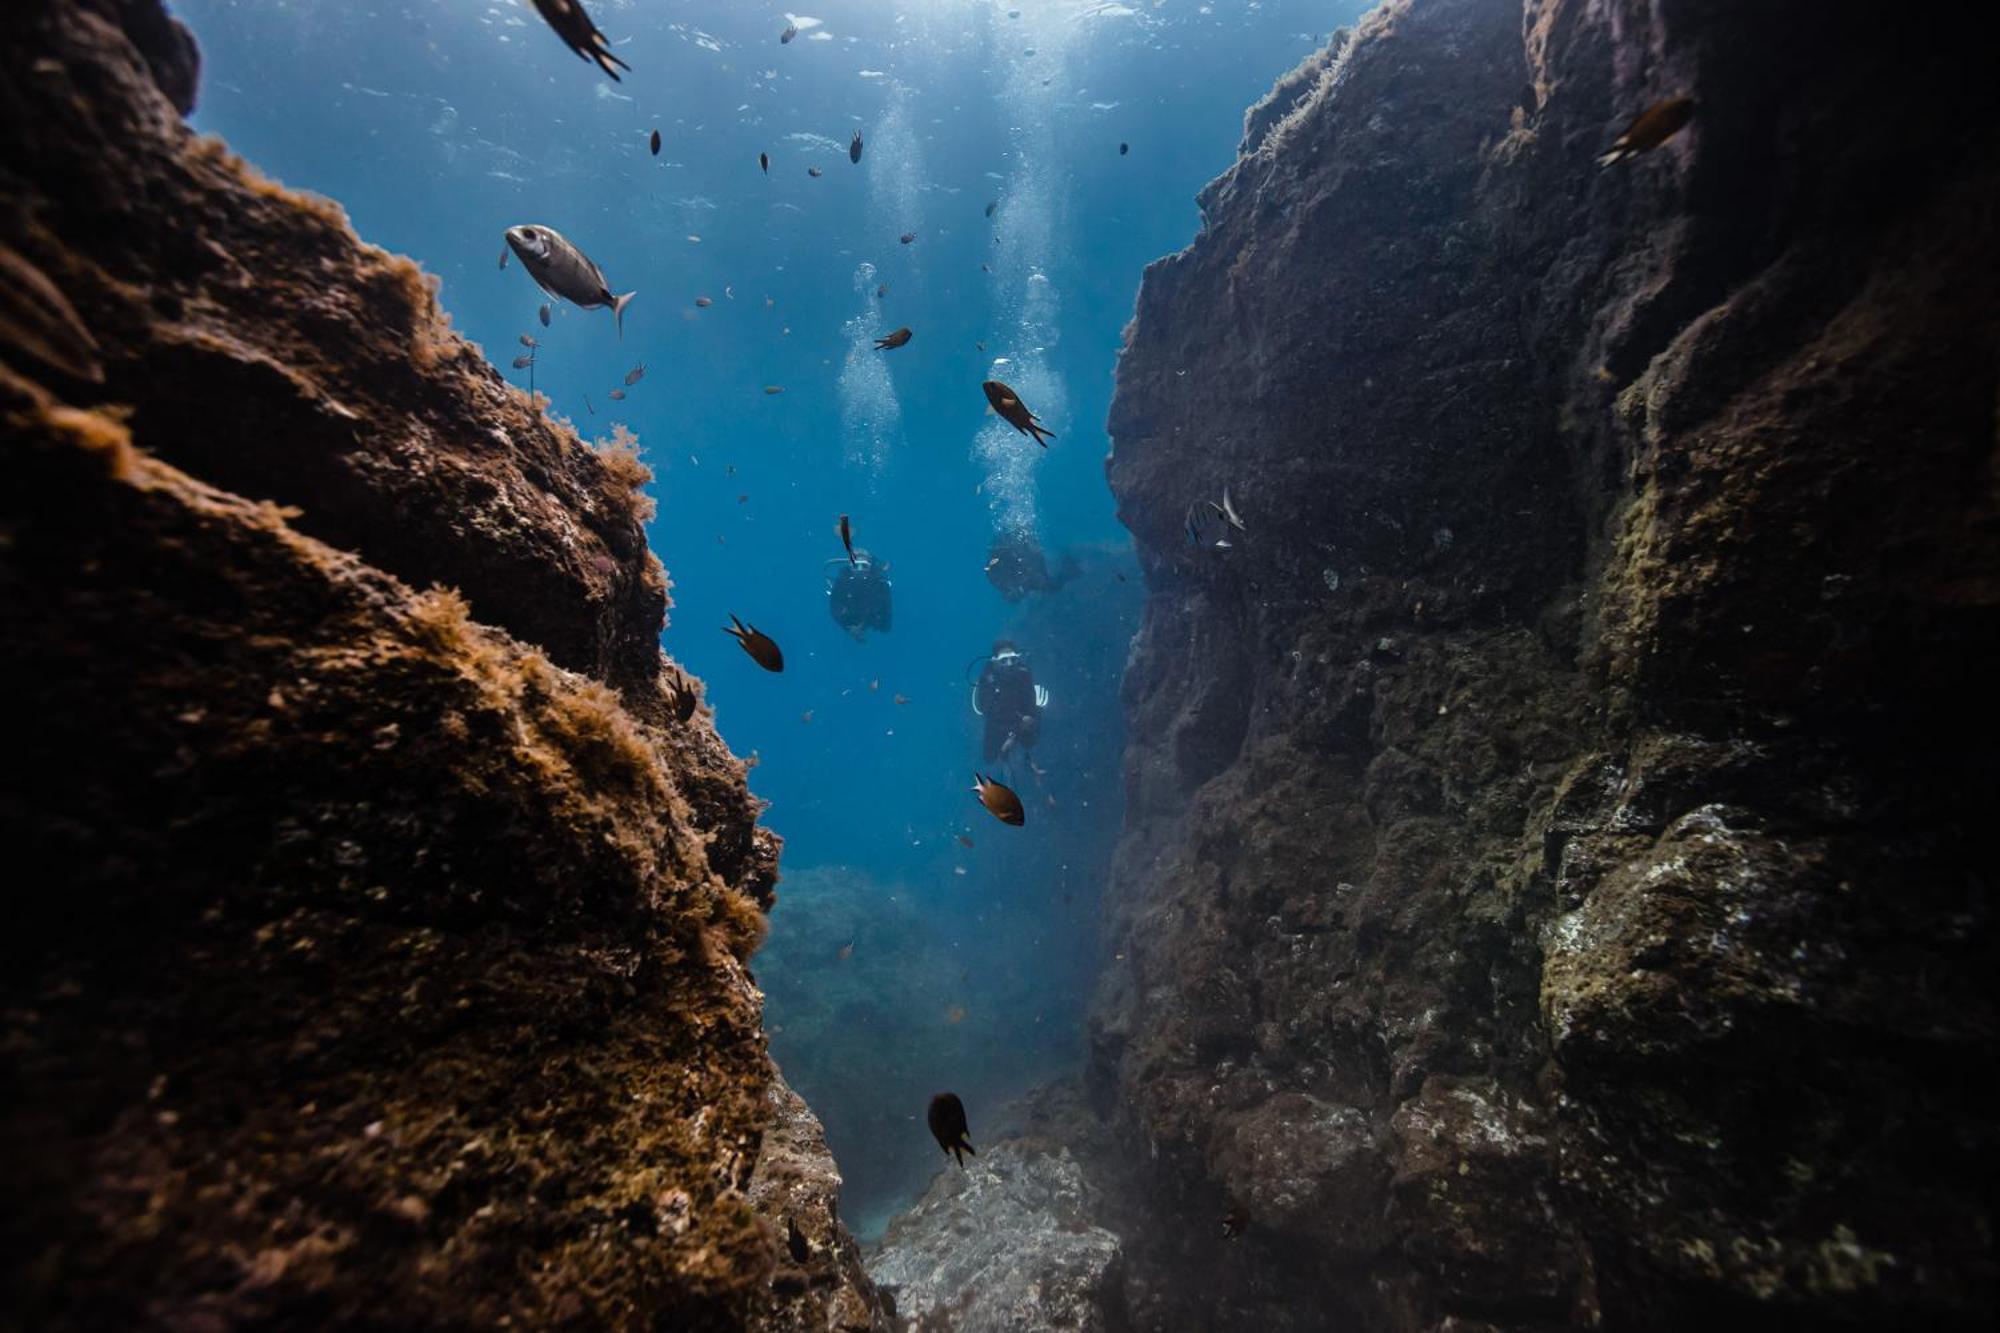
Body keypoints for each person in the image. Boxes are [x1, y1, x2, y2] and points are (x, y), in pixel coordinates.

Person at [972, 639, 1047, 762]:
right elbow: (989, 710)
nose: (1009, 664)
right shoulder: (987, 679)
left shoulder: (1024, 673)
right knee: (990, 759)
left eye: (1013, 659)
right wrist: (1014, 729)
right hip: (999, 724)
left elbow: (1030, 701)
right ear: (995, 661)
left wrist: (1016, 732)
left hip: (1021, 721)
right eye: (1004, 660)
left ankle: (1029, 761)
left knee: (1032, 741)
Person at [827, 551, 892, 640]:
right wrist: (848, 627)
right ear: (850, 567)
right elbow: (835, 605)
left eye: (864, 566)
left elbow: (885, 607)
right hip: (851, 617)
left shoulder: (879, 582)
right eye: (855, 566)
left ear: (870, 567)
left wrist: (867, 623)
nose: (860, 570)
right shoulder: (843, 580)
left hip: (872, 619)